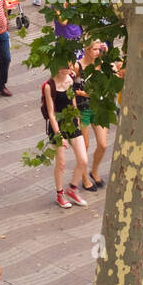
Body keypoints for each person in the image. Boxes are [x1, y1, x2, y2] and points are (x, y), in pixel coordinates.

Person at [42, 64, 89, 209]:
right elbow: (51, 113)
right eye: (66, 66)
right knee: (61, 163)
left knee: (83, 160)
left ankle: (72, 189)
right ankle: (60, 193)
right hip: (58, 124)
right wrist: (59, 135)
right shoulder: (49, 86)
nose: (70, 68)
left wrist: (77, 120)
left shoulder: (70, 79)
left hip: (71, 121)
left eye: (70, 65)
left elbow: (73, 102)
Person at [75, 41, 109, 190]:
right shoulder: (78, 66)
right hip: (83, 109)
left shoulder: (101, 63)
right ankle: (83, 178)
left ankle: (94, 171)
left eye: (99, 49)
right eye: (94, 49)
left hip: (99, 107)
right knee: (85, 146)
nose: (97, 52)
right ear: (87, 50)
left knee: (103, 144)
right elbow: (72, 87)